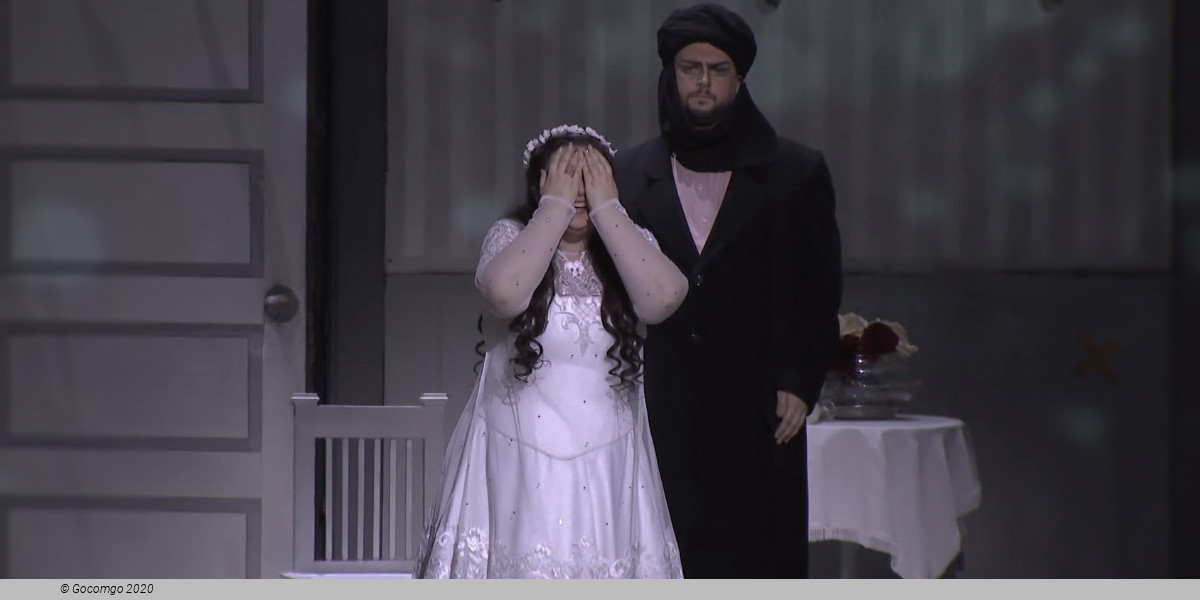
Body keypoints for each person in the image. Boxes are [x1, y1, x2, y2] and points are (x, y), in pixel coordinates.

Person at [612, 4, 844, 578]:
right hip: (660, 401)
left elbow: (818, 287)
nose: (703, 82)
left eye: (717, 69)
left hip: (758, 404)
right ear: (671, 74)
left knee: (756, 553)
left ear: (739, 79)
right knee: (665, 550)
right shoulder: (628, 174)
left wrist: (800, 380)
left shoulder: (794, 172)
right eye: (690, 68)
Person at [414, 124, 689, 579]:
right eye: (565, 176)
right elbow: (503, 293)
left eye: (589, 177)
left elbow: (664, 298)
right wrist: (554, 208)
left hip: (608, 460)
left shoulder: (628, 245)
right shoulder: (510, 236)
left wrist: (608, 210)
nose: (578, 190)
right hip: (520, 455)